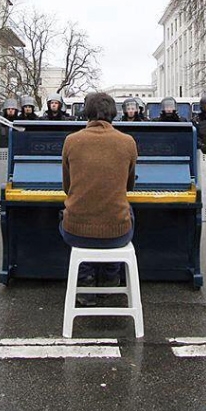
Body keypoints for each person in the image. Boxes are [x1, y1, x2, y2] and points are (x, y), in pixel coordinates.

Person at [60, 92, 137, 304]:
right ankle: (111, 278)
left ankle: (85, 280)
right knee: (127, 212)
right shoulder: (128, 142)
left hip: (75, 233)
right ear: (114, 113)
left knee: (72, 214)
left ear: (87, 113)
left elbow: (68, 188)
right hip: (117, 233)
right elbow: (128, 187)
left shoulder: (71, 141)